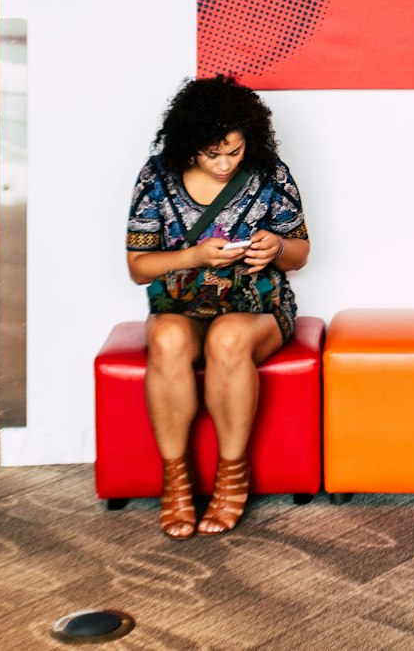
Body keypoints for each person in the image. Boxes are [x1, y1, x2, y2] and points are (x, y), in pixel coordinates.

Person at [125, 74, 309, 538]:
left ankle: (232, 475)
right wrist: (194, 256)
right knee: (166, 339)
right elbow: (139, 268)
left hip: (255, 306)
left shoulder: (270, 174)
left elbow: (301, 254)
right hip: (181, 308)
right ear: (189, 145)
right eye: (213, 153)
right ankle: (176, 481)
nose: (226, 163)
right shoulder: (157, 177)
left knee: (228, 338)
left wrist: (275, 247)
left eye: (234, 150)